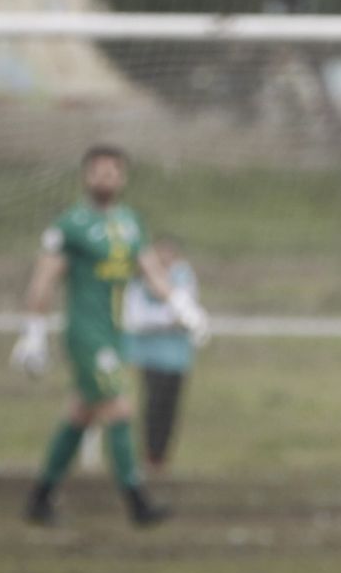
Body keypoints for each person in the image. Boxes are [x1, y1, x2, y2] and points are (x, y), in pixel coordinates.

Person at [13, 145, 207, 526]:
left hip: (115, 334)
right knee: (118, 409)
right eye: (98, 171)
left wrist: (184, 308)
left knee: (80, 414)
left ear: (123, 178)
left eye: (112, 172)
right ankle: (138, 504)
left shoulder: (130, 223)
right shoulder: (70, 226)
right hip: (87, 335)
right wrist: (33, 334)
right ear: (86, 176)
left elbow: (150, 270)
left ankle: (40, 499)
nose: (105, 178)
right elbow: (44, 281)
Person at [122, 236, 201, 480]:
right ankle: (144, 458)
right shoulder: (138, 279)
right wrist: (171, 320)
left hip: (177, 357)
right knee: (151, 405)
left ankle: (160, 458)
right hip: (150, 355)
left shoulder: (182, 275)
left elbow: (188, 311)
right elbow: (137, 317)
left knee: (170, 406)